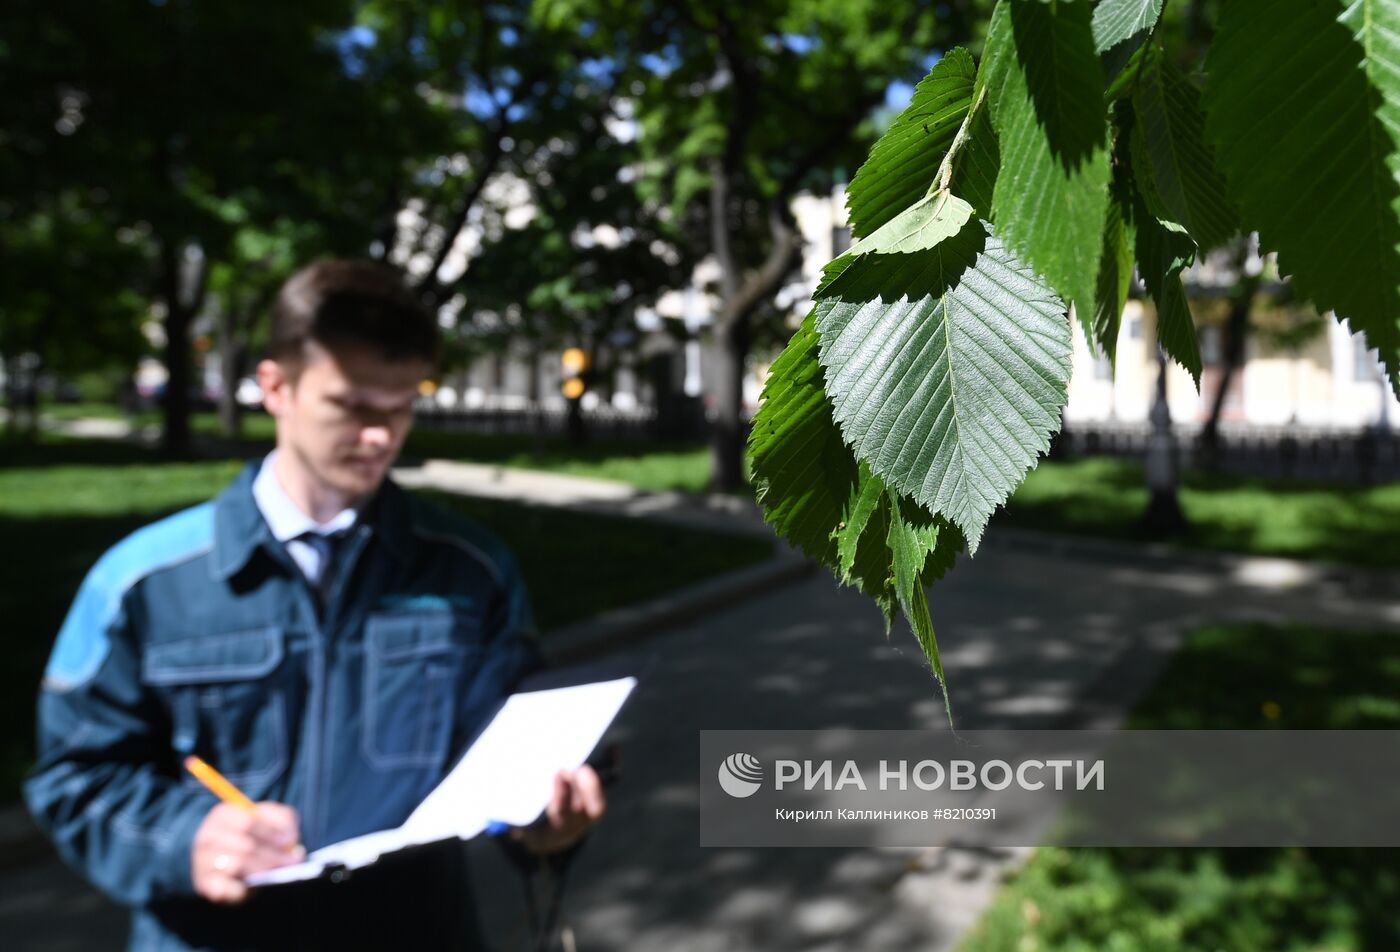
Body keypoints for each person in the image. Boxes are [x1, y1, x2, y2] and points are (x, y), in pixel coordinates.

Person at [24, 260, 606, 951]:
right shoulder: (143, 583)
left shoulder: (470, 570)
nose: (382, 437)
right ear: (276, 386)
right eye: (354, 406)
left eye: (401, 407)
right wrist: (185, 838)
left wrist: (543, 823)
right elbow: (76, 778)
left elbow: (503, 754)